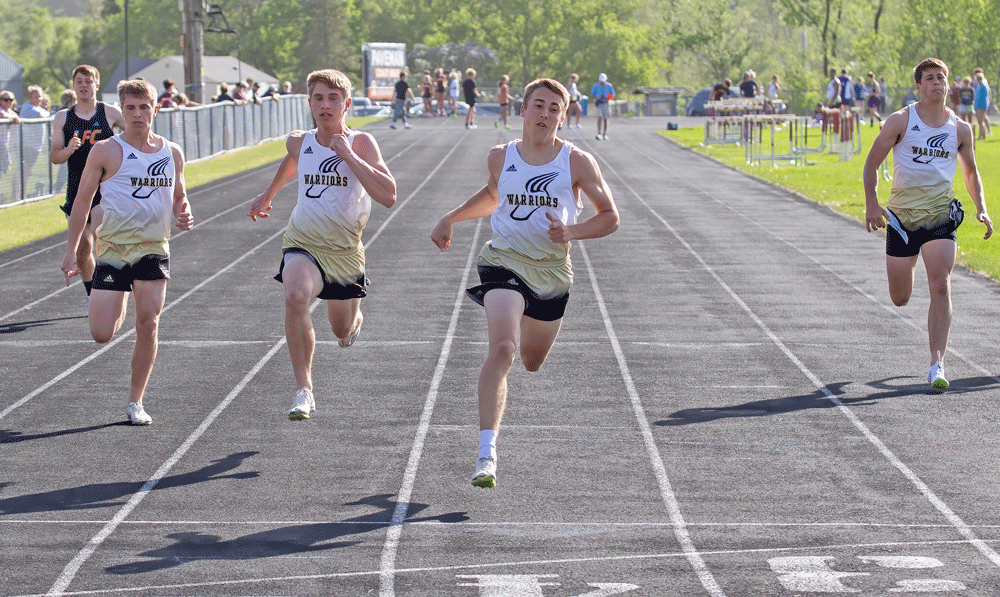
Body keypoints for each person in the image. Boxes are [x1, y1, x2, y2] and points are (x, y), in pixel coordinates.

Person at [431, 77, 619, 488]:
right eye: (539, 105)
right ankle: (486, 453)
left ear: (564, 115)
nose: (546, 114)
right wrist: (451, 217)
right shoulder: (501, 156)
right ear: (523, 109)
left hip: (552, 272)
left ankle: (530, 343)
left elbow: (609, 216)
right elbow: (494, 194)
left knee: (532, 361)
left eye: (555, 108)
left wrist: (572, 232)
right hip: (503, 262)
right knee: (503, 348)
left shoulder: (577, 162)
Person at [247, 69, 396, 421]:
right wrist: (269, 194)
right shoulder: (299, 141)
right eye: (318, 98)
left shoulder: (361, 143)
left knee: (341, 329)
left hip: (344, 251)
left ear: (346, 104)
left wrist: (349, 156)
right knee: (295, 296)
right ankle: (304, 390)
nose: (325, 105)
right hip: (303, 241)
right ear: (309, 102)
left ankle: (354, 320)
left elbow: (388, 196)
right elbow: (294, 161)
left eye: (333, 99)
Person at [59, 79, 193, 425]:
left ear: (155, 109)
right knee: (102, 333)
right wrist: (71, 250)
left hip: (153, 250)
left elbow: (180, 195)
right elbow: (82, 202)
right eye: (130, 107)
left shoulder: (172, 152)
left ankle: (136, 401)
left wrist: (184, 210)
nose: (137, 114)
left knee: (148, 323)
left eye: (143, 107)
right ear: (122, 110)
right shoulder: (105, 150)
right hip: (113, 252)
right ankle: (116, 298)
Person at [863, 57, 992, 391]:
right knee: (900, 297)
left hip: (939, 216)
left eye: (942, 78)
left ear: (949, 85)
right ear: (918, 86)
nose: (937, 83)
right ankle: (911, 262)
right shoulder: (900, 121)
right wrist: (871, 203)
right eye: (930, 79)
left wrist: (982, 208)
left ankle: (937, 364)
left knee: (942, 285)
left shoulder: (960, 129)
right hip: (902, 220)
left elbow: (971, 171)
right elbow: (872, 163)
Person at [50, 65, 128, 308]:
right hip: (77, 188)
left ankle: (111, 288)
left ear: (97, 84)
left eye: (88, 81)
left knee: (106, 244)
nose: (84, 85)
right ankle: (92, 294)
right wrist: (68, 150)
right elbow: (54, 156)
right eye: (79, 81)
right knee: (83, 249)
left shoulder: (110, 113)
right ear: (74, 86)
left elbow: (136, 138)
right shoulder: (63, 117)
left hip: (107, 189)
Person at [0, 91, 20, 200]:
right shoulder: (2, 111)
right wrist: (12, 118)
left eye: (11, 100)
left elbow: (16, 117)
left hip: (4, 145)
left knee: (2, 171)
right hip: (1, 145)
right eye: (6, 100)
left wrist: (12, 117)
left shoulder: (10, 112)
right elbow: (3, 115)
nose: (9, 102)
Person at [590, 73, 614, 140]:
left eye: (603, 82)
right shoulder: (595, 85)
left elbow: (612, 95)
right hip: (598, 104)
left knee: (606, 119)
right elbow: (592, 94)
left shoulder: (609, 86)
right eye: (601, 82)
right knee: (599, 117)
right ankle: (599, 133)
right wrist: (596, 97)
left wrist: (607, 96)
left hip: (606, 103)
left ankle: (604, 134)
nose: (602, 83)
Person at [974, 72, 991, 140]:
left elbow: (984, 98)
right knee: (980, 121)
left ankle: (980, 136)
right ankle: (983, 136)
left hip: (981, 106)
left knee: (980, 122)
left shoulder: (983, 86)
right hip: (978, 105)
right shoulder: (978, 86)